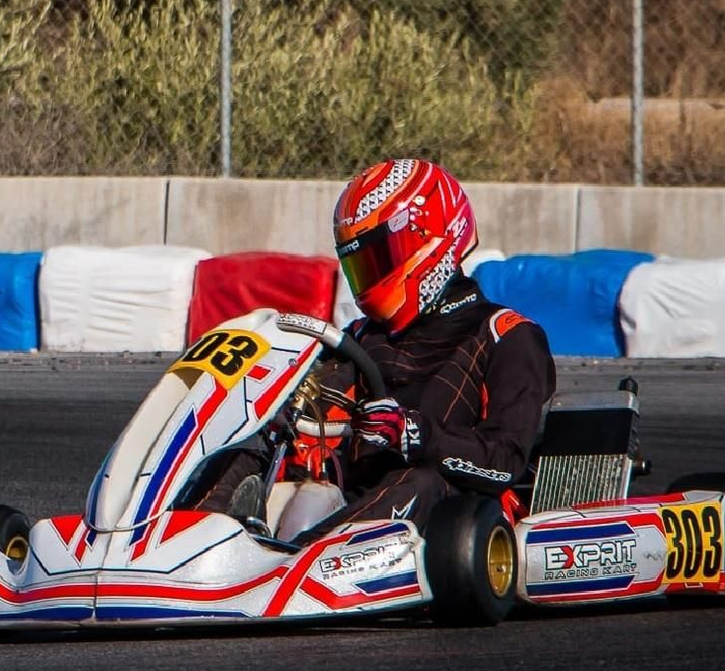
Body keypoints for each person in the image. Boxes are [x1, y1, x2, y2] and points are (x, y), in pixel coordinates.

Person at [187, 158, 557, 542]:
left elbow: (506, 460)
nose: (369, 276)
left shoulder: (508, 335)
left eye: (379, 259)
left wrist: (414, 434)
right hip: (355, 500)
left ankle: (293, 565)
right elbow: (309, 409)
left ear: (430, 240)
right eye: (360, 264)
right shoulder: (361, 337)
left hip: (458, 508)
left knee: (418, 480)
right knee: (253, 448)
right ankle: (182, 547)